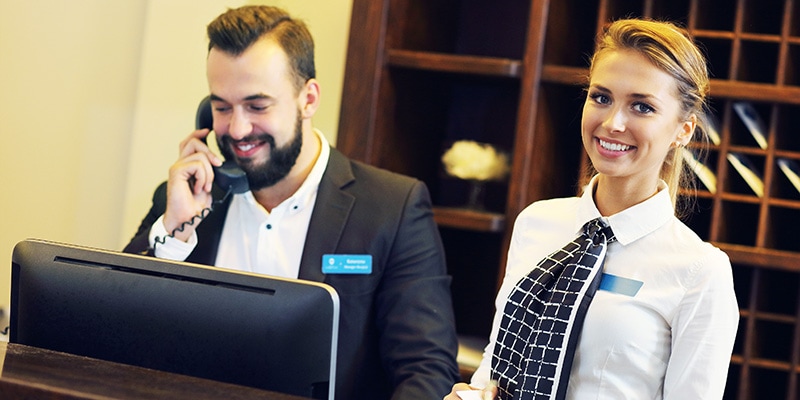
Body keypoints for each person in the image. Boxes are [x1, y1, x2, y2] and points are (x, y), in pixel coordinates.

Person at [123, 5, 459, 400]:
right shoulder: (185, 201)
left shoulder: (393, 207)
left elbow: (427, 370)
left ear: (308, 99)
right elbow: (116, 331)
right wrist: (174, 233)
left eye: (257, 106)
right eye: (222, 107)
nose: (238, 129)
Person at [445, 18, 739, 400]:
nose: (613, 123)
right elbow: (497, 365)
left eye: (642, 107)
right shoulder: (537, 222)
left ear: (683, 130)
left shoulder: (700, 272)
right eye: (601, 97)